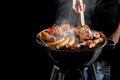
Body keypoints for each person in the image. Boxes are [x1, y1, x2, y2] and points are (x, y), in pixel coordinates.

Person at [72, 0, 120, 80]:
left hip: (107, 30)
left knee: (102, 70)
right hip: (86, 23)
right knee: (86, 70)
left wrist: (117, 33)